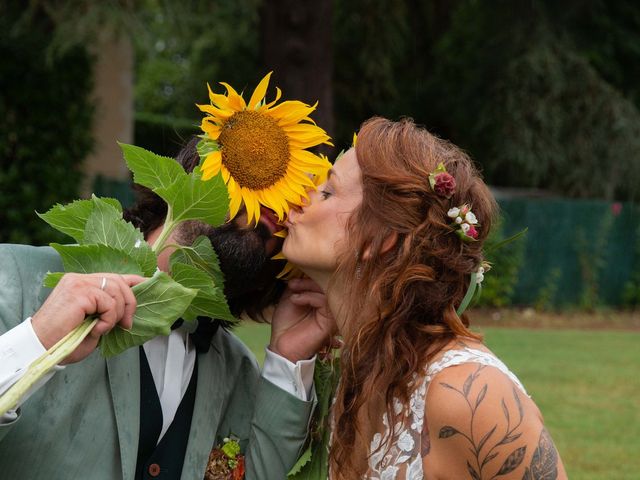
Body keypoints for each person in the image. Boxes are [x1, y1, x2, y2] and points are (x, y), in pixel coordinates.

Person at [0, 136, 334, 479]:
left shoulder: (241, 377)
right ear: (196, 167)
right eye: (262, 176)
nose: (276, 210)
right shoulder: (13, 278)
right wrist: (36, 341)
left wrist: (289, 356)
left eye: (294, 207)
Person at [282, 117, 568, 479]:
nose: (301, 195)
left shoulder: (471, 396)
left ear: (380, 237)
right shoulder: (354, 373)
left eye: (327, 192)